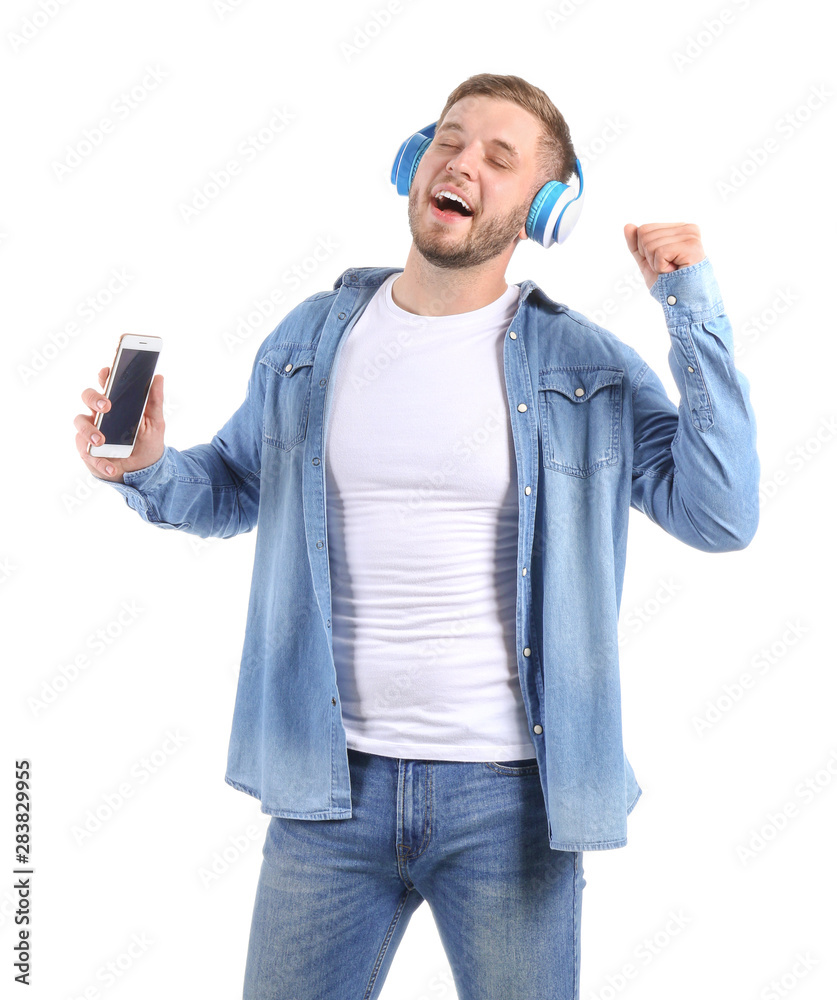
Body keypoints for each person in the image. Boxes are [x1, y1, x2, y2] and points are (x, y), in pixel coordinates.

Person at [74, 73, 760, 1000]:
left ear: (542, 212)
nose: (460, 162)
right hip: (326, 788)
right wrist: (146, 465)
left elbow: (718, 511)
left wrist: (690, 304)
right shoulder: (311, 337)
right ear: (412, 161)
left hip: (509, 803)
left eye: (498, 157)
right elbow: (232, 488)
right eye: (448, 138)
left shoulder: (583, 366)